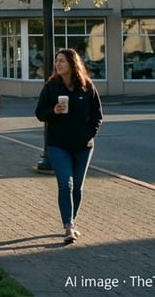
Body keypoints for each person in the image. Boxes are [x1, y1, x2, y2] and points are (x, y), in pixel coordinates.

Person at [34, 48, 103, 245]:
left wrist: (90, 135)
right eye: (57, 61)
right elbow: (39, 113)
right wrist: (53, 111)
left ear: (73, 64)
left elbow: (97, 115)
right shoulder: (51, 87)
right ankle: (68, 226)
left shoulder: (87, 87)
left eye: (62, 61)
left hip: (83, 146)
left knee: (77, 188)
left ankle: (72, 221)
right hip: (58, 145)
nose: (58, 64)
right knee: (66, 184)